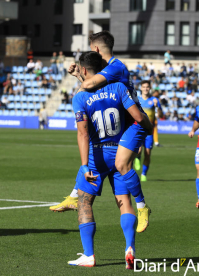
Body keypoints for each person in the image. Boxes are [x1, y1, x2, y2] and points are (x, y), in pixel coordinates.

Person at [52, 31, 152, 234]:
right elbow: (91, 84)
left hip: (134, 122)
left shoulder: (115, 67)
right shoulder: (110, 68)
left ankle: (143, 207)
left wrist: (82, 78)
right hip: (127, 122)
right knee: (92, 145)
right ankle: (74, 195)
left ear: (96, 49)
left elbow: (88, 85)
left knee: (121, 163)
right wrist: (80, 74)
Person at [67, 51, 152, 268]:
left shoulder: (80, 97)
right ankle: (129, 248)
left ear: (84, 70)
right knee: (124, 203)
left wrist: (85, 164)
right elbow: (137, 117)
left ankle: (89, 255)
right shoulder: (118, 88)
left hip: (97, 155)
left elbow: (83, 133)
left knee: (85, 201)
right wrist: (144, 134)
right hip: (120, 151)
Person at [134, 81, 163, 181]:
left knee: (147, 153)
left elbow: (161, 114)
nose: (146, 89)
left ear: (149, 88)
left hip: (149, 131)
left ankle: (143, 174)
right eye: (144, 87)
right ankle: (137, 158)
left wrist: (157, 107)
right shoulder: (136, 99)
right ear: (141, 88)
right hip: (138, 129)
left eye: (147, 87)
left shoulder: (154, 100)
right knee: (138, 150)